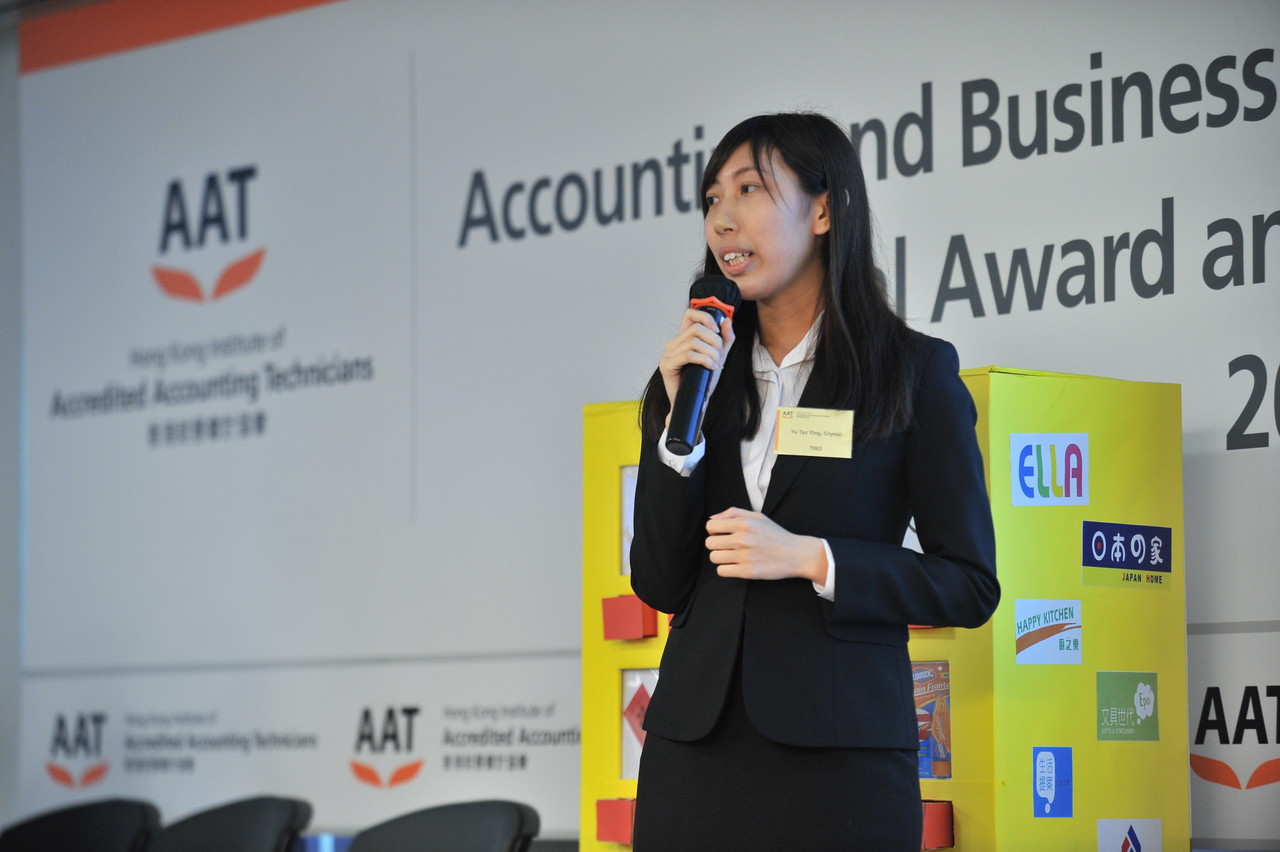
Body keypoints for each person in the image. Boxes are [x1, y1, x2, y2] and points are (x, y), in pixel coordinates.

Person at [628, 112, 1000, 851]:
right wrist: (677, 434)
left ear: (825, 210)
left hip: (840, 766)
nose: (722, 219)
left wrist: (813, 558)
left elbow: (967, 583)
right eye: (711, 199)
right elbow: (661, 582)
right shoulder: (691, 379)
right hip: (693, 759)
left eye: (749, 190)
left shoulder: (912, 372)